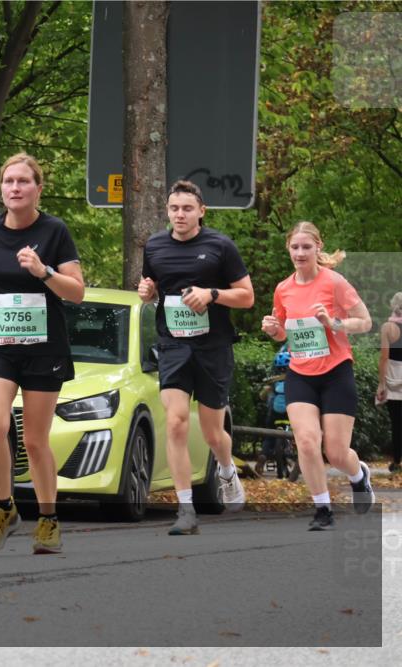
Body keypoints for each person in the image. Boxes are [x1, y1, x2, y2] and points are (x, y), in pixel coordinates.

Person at [0, 153, 85, 555]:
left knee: (35, 440)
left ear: (38, 188)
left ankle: (49, 519)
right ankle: (4, 508)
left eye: (23, 182)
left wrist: (44, 272)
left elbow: (77, 291)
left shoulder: (54, 231)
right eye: (8, 182)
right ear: (1, 188)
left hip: (43, 348)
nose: (14, 188)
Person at [138, 180, 254, 536]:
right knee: (174, 422)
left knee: (212, 432)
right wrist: (147, 290)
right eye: (174, 208)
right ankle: (185, 508)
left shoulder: (220, 246)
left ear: (201, 211)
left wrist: (212, 294)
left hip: (212, 347)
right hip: (173, 345)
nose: (180, 215)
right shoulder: (155, 245)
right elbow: (150, 285)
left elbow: (247, 296)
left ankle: (226, 469)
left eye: (187, 208)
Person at [261, 221, 374, 530]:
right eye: (295, 247)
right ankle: (322, 509)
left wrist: (335, 322)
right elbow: (282, 330)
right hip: (300, 374)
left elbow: (365, 322)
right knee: (307, 442)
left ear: (318, 247)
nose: (300, 253)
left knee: (336, 453)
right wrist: (273, 330)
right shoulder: (283, 288)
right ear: (288, 249)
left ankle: (358, 475)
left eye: (306, 247)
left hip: (336, 372)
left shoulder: (334, 282)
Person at [376, 292, 402, 474]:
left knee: (396, 423)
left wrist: (381, 384)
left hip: (394, 379)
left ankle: (397, 462)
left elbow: (384, 357)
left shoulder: (387, 327)